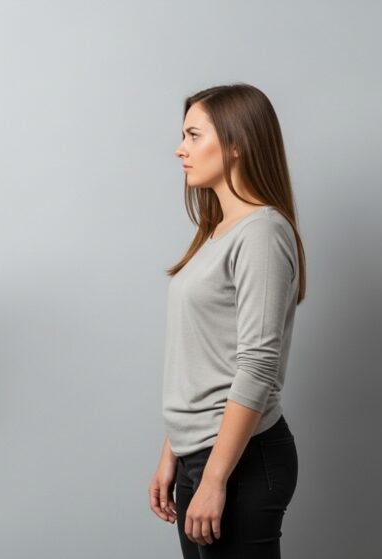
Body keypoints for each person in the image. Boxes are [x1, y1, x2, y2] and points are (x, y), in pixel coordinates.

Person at [147, 84, 305, 558]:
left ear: (236, 144)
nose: (180, 149)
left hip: (240, 460)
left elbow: (257, 365)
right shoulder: (215, 232)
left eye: (194, 135)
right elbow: (203, 357)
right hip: (200, 454)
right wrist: (172, 451)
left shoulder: (262, 233)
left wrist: (215, 477)